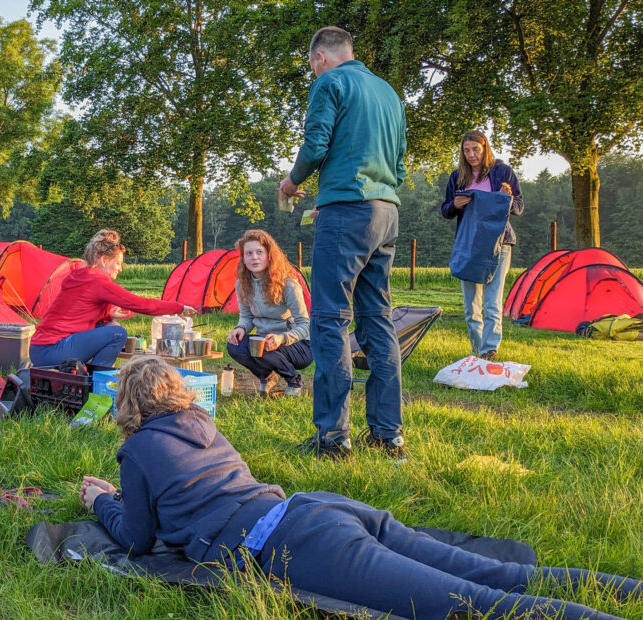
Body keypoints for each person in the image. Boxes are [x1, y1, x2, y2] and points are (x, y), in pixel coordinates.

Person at [81, 356, 640, 620]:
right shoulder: (204, 425)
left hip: (294, 544)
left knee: (476, 606)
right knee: (499, 576)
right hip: (317, 506)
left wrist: (102, 499)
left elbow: (136, 538)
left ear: (130, 404)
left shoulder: (137, 449)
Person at [278, 26, 407, 459]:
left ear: (319, 57)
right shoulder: (388, 92)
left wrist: (292, 182)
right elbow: (399, 162)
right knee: (378, 319)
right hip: (385, 212)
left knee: (330, 320)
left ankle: (333, 438)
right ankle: (389, 436)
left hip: (348, 212)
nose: (313, 71)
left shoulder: (329, 83)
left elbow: (316, 145)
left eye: (311, 65)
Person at [31, 230, 195, 367]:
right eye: (118, 263)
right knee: (117, 333)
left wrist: (108, 315)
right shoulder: (98, 282)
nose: (120, 269)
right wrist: (179, 307)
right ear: (103, 260)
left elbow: (76, 315)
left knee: (110, 325)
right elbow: (141, 304)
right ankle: (97, 381)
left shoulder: (81, 277)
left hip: (41, 349)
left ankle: (86, 375)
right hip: (51, 350)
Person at [440, 130, 524, 361]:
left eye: (475, 149)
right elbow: (445, 210)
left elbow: (518, 207)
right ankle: (477, 353)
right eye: (466, 151)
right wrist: (455, 205)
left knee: (492, 303)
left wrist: (505, 197)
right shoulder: (458, 176)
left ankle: (489, 351)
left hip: (500, 243)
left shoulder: (502, 172)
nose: (471, 155)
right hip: (469, 244)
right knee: (471, 306)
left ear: (485, 147)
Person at [226, 230, 311, 397]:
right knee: (235, 345)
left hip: (298, 344)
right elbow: (247, 316)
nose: (254, 258)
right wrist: (241, 328)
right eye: (248, 253)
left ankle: (294, 380)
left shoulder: (288, 284)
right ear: (243, 258)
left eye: (259, 252)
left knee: (262, 347)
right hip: (265, 340)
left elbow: (305, 325)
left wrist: (282, 338)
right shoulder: (242, 283)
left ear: (269, 255)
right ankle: (267, 377)